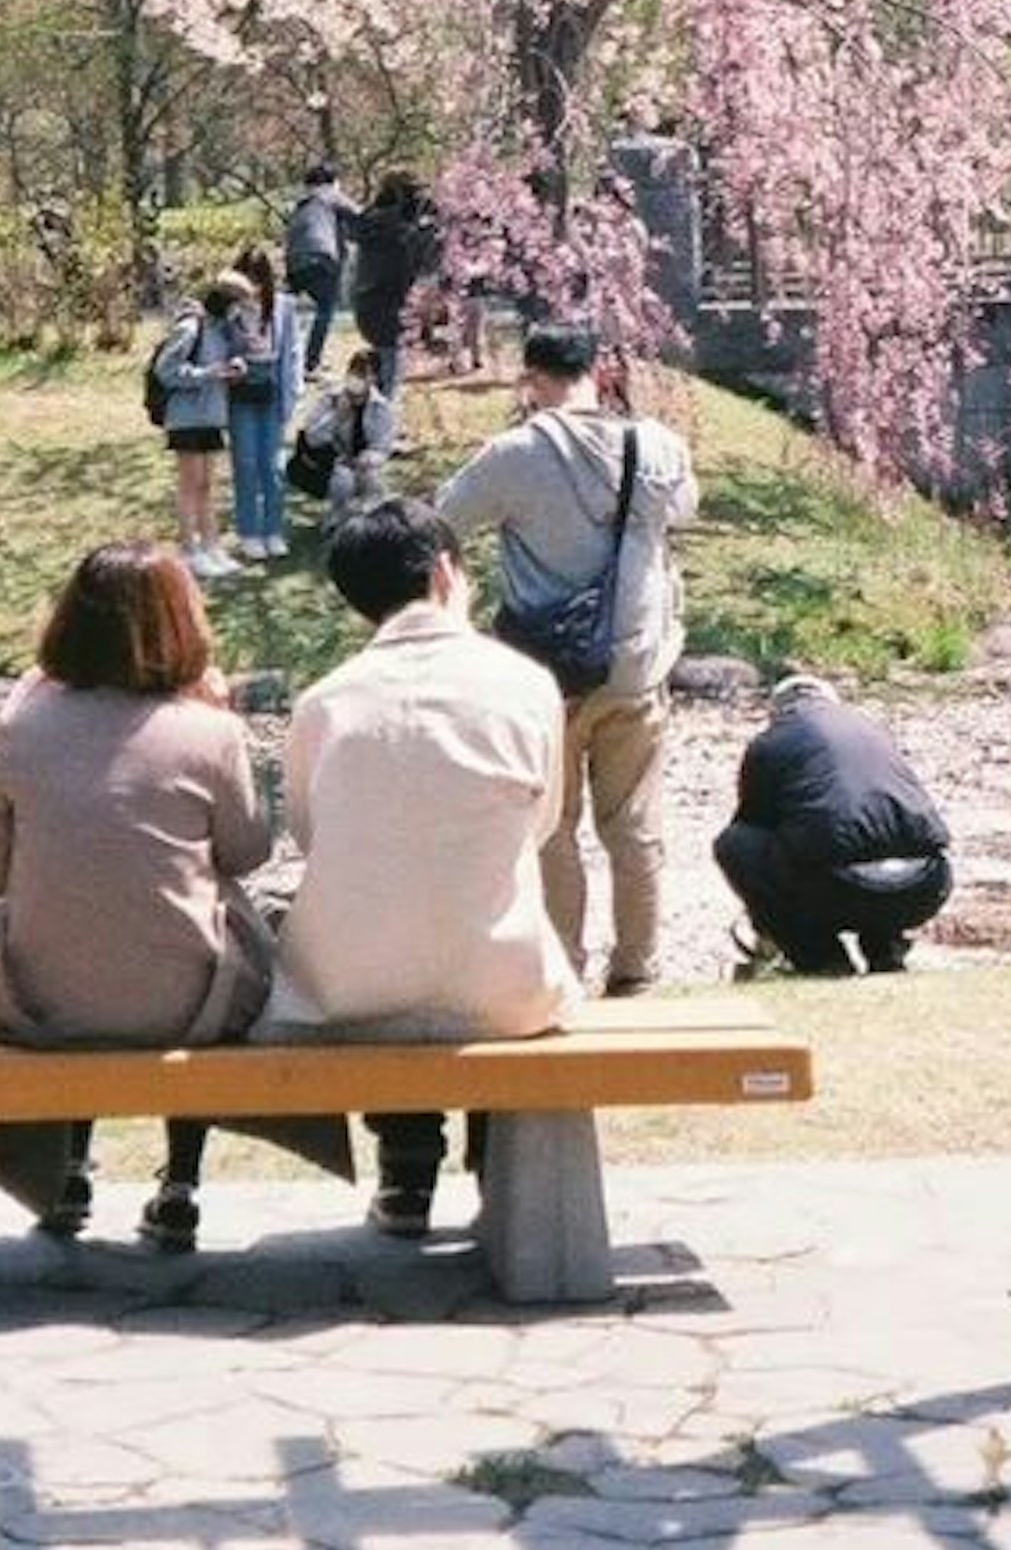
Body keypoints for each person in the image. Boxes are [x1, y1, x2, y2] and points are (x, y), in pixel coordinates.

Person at [261, 499, 578, 1238]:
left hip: (350, 992)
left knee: (386, 915)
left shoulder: (323, 703)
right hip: (505, 986)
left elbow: (313, 837)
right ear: (444, 573)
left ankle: (406, 1165)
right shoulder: (525, 683)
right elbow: (544, 823)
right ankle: (496, 1159)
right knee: (475, 908)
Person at [0, 545, 275, 1251]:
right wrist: (226, 723)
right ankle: (181, 1182)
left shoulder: (20, 729)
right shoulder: (211, 732)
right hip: (189, 1005)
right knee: (203, 911)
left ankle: (68, 1169)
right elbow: (249, 853)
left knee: (73, 917)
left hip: (43, 1005)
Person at [437, 324, 701, 1000]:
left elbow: (442, 523)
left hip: (545, 676)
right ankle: (637, 967)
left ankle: (564, 964)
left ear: (532, 377)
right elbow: (686, 512)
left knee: (553, 827)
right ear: (598, 371)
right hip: (635, 663)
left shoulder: (513, 456)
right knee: (634, 825)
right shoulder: (658, 445)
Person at [714, 675, 956, 975]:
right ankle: (886, 951)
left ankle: (824, 958)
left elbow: (754, 823)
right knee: (875, 843)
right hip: (925, 885)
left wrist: (766, 921)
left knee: (734, 845)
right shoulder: (874, 730)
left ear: (776, 712)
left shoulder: (770, 743)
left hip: (837, 891)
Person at [149, 273, 253, 577]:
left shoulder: (222, 331)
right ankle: (189, 549)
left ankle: (212, 545)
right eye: (239, 304)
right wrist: (209, 374)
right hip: (186, 417)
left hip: (211, 416)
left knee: (207, 485)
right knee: (190, 485)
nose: (241, 311)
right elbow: (166, 370)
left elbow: (229, 359)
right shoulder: (190, 327)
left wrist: (235, 369)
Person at [223, 246, 298, 565]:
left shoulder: (283, 306)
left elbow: (292, 352)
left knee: (272, 464)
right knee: (246, 462)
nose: (252, 288)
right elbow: (220, 347)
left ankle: (273, 529)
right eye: (247, 280)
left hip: (271, 385)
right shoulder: (229, 310)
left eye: (258, 280)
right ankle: (249, 531)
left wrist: (292, 395)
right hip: (241, 387)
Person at [346, 172, 434, 411]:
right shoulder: (398, 229)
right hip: (387, 304)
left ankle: (374, 418)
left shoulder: (371, 221)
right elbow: (419, 260)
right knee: (390, 370)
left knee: (383, 366)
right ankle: (382, 424)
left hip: (367, 303)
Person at [297, 347, 400, 517]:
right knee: (343, 481)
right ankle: (337, 523)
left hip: (364, 465)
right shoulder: (331, 398)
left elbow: (383, 445)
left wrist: (369, 458)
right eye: (354, 372)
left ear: (373, 378)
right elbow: (312, 437)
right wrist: (337, 416)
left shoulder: (381, 407)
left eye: (362, 374)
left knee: (373, 485)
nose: (356, 379)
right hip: (330, 463)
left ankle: (370, 526)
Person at [284, 161, 353, 375]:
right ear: (332, 182)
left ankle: (286, 359)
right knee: (325, 309)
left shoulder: (301, 204)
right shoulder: (329, 194)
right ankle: (310, 363)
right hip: (320, 257)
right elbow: (360, 216)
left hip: (293, 261)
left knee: (285, 311)